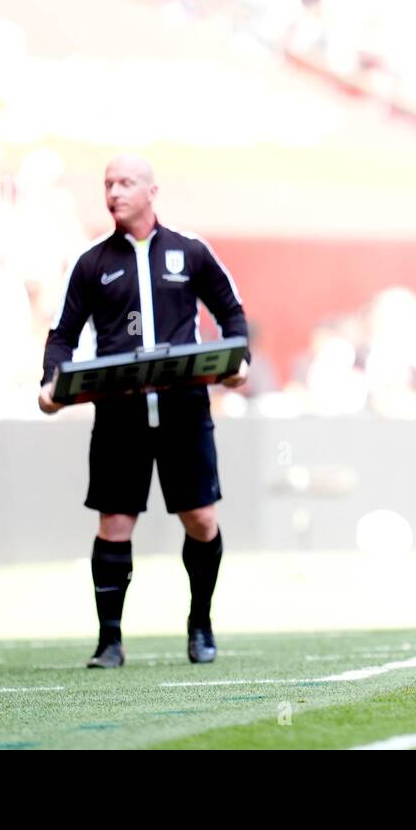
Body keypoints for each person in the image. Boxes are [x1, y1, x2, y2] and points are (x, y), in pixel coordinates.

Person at [38, 155, 248, 669]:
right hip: (118, 417)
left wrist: (238, 361)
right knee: (114, 523)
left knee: (200, 520)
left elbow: (232, 311)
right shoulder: (91, 263)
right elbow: (63, 333)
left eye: (126, 183)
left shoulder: (190, 251)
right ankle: (110, 641)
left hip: (185, 411)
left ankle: (201, 624)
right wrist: (51, 382)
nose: (114, 192)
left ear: (152, 190)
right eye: (108, 184)